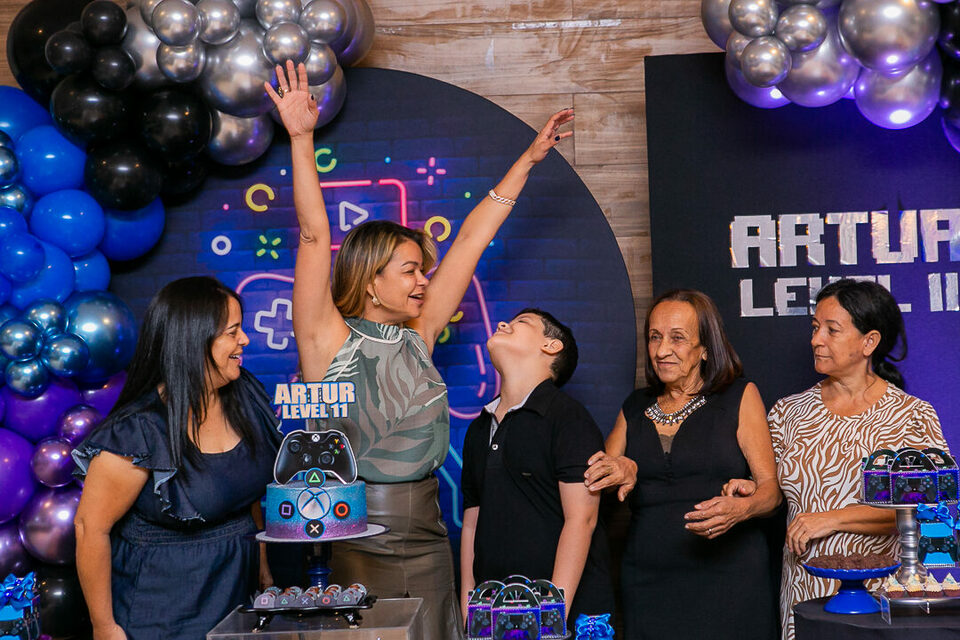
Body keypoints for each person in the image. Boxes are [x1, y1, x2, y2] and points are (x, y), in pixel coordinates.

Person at [265, 60, 573, 640]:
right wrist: (301, 139)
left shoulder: (419, 333)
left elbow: (472, 241)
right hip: (356, 535)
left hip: (429, 532)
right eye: (409, 270)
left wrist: (528, 162)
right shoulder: (325, 338)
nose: (423, 281)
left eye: (422, 271)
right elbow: (313, 234)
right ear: (371, 279)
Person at [725, 278, 949, 640]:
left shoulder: (911, 417)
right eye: (815, 328)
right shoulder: (787, 413)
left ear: (869, 342)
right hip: (804, 594)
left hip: (882, 602)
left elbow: (927, 510)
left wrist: (831, 519)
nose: (816, 339)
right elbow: (773, 494)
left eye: (832, 330)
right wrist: (752, 490)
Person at [72, 277, 282, 640]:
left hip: (235, 597)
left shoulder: (244, 393)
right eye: (232, 332)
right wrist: (104, 627)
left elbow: (246, 494)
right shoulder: (138, 430)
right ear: (194, 341)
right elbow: (90, 529)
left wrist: (263, 569)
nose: (245, 340)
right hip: (164, 611)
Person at [583, 289, 781, 640]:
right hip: (648, 580)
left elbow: (771, 493)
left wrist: (742, 508)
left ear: (705, 348)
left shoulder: (738, 396)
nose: (661, 351)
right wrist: (622, 469)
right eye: (654, 337)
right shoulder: (634, 407)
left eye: (677, 338)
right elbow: (601, 482)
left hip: (730, 579)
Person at [460, 309, 614, 625]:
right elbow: (472, 521)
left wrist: (550, 615)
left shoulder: (568, 418)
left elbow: (581, 520)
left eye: (522, 322)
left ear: (551, 346)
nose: (503, 323)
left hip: (563, 615)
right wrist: (468, 602)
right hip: (496, 612)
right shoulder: (478, 428)